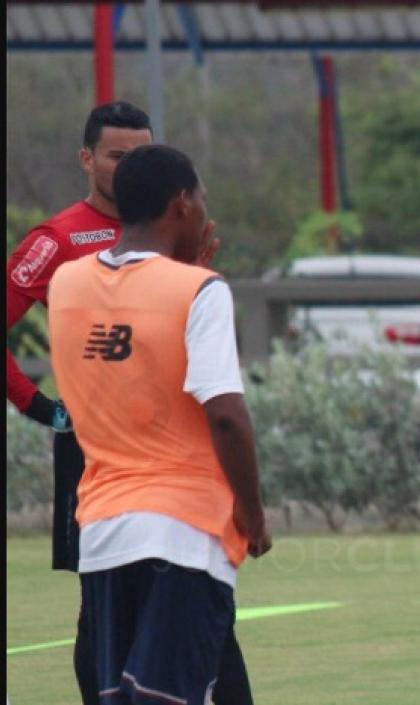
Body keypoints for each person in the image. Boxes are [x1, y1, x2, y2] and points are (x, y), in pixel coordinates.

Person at [5, 102, 254, 705]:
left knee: (179, 605)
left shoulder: (174, 251)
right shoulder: (59, 242)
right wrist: (40, 407)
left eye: (140, 152)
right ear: (87, 159)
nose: (129, 164)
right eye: (117, 154)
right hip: (102, 448)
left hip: (174, 451)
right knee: (103, 607)